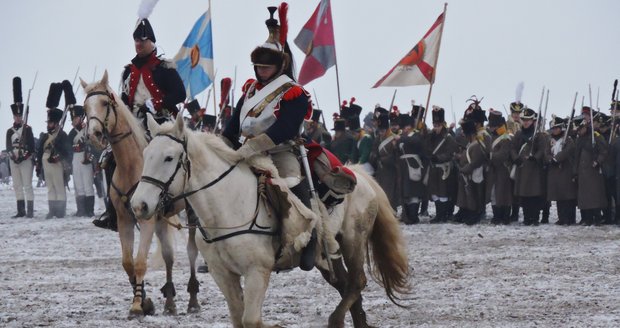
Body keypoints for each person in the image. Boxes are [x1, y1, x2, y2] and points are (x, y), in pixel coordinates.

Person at [221, 5, 317, 271]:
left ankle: (311, 237)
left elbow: (286, 127)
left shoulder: (292, 92)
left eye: (266, 67)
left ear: (278, 66)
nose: (261, 71)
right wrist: (222, 145)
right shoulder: (250, 90)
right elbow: (233, 125)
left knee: (290, 182)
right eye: (258, 67)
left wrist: (256, 145)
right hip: (247, 150)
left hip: (281, 149)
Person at [93, 15, 186, 230]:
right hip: (134, 122)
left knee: (166, 155)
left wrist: (157, 103)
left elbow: (180, 93)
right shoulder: (128, 71)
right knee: (109, 158)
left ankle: (175, 201)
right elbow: (124, 102)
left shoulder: (164, 67)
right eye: (136, 41)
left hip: (161, 121)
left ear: (152, 42)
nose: (139, 45)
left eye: (142, 41)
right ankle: (113, 210)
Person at [37, 82, 72, 219]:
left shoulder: (62, 135)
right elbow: (40, 149)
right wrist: (39, 164)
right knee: (50, 187)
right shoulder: (46, 136)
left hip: (57, 163)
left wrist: (58, 156)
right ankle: (52, 210)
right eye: (48, 122)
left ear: (56, 123)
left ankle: (60, 211)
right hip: (46, 161)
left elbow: (67, 151)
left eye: (51, 123)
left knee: (59, 186)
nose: (49, 125)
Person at [6, 76, 36, 218]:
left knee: (27, 186)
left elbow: (31, 146)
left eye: (20, 115)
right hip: (14, 160)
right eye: (16, 116)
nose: (18, 118)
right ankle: (21, 210)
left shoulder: (28, 129)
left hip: (25, 159)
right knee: (17, 186)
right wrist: (14, 157)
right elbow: (8, 147)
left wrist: (23, 157)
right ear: (13, 117)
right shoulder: (9, 131)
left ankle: (30, 211)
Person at [511, 107, 546, 225]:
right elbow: (513, 149)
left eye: (528, 120)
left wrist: (534, 157)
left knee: (534, 196)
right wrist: (516, 159)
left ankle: (534, 218)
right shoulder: (519, 134)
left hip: (534, 169)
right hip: (522, 168)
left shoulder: (538, 135)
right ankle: (527, 218)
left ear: (532, 121)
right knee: (524, 196)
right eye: (524, 119)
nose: (526, 122)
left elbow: (542, 150)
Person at [574, 118, 608, 225]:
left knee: (595, 196)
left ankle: (597, 217)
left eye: (581, 129)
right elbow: (576, 157)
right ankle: (586, 218)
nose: (579, 131)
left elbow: (604, 151)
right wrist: (574, 172)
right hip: (582, 171)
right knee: (584, 197)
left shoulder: (595, 136)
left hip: (593, 171)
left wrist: (598, 161)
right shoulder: (579, 139)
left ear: (585, 127)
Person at [427, 107, 458, 224]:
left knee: (443, 193)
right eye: (434, 125)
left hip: (444, 169)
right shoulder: (431, 137)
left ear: (442, 125)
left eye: (438, 125)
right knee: (435, 193)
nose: (436, 128)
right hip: (434, 169)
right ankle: (438, 215)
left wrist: (438, 158)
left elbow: (450, 153)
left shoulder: (448, 138)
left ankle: (443, 215)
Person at [545, 116, 577, 225]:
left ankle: (569, 218)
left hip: (566, 169)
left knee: (567, 196)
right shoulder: (550, 140)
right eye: (553, 128)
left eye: (557, 128)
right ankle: (561, 217)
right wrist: (550, 159)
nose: (555, 130)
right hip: (554, 171)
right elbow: (546, 152)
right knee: (558, 196)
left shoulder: (567, 139)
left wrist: (556, 159)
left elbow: (568, 151)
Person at [486, 110, 513, 225]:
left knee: (504, 194)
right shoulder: (493, 136)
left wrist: (490, 156)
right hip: (494, 170)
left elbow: (503, 154)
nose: (490, 128)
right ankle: (496, 216)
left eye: (492, 126)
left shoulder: (505, 137)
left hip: (503, 170)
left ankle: (505, 216)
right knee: (494, 194)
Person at [68, 105, 95, 217]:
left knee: (88, 185)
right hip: (75, 158)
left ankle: (90, 210)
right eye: (73, 118)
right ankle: (81, 210)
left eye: (76, 118)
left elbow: (94, 147)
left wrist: (90, 158)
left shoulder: (88, 130)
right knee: (78, 185)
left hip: (86, 159)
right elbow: (68, 148)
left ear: (81, 117)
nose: (74, 121)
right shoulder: (72, 133)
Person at [371, 113, 399, 210]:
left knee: (390, 194)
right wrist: (373, 157)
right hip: (380, 171)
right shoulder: (377, 139)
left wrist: (383, 160)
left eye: (382, 130)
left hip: (390, 170)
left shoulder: (394, 138)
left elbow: (396, 156)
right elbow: (374, 151)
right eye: (380, 130)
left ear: (387, 129)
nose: (381, 132)